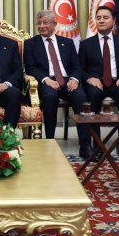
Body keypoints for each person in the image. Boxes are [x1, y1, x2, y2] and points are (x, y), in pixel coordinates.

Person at [24, 10, 91, 157]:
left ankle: (85, 145)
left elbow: (76, 66)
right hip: (46, 81)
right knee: (49, 97)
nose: (41, 26)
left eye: (45, 23)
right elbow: (30, 67)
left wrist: (74, 79)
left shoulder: (67, 42)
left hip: (67, 80)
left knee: (81, 96)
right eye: (39, 23)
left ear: (54, 24)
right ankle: (50, 140)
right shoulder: (30, 43)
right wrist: (46, 80)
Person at [78, 5, 119, 122]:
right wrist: (89, 79)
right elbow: (80, 68)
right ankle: (95, 137)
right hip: (96, 83)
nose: (101, 20)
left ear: (114, 21)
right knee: (93, 93)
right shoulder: (85, 44)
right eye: (98, 18)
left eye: (105, 17)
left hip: (118, 82)